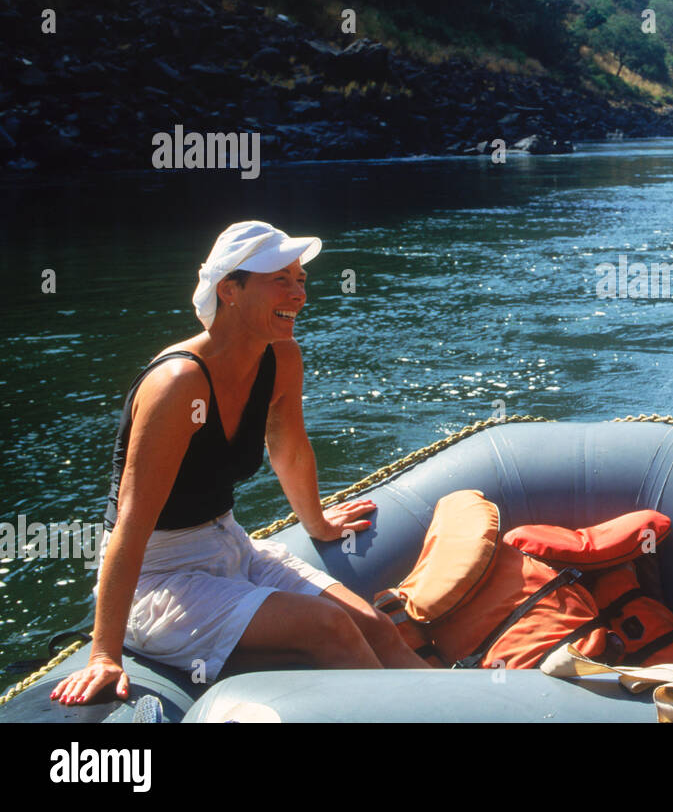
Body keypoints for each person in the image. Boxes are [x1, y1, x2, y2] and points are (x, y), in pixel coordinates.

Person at [52, 221, 428, 707]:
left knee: (377, 626)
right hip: (159, 577)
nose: (299, 295)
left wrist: (317, 522)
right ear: (230, 289)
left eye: (301, 280)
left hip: (231, 545)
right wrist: (104, 652)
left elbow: (289, 450)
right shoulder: (178, 383)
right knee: (330, 628)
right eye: (281, 280)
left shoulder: (281, 358)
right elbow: (132, 520)